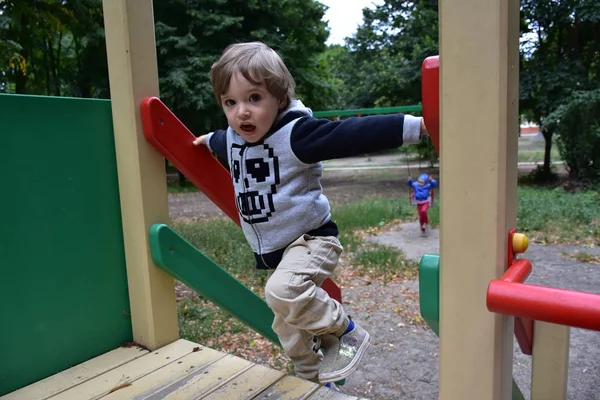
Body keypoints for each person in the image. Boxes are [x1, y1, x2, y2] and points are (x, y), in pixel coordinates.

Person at [193, 41, 430, 384]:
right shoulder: (232, 139)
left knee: (281, 291)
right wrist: (205, 140)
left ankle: (347, 332)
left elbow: (352, 134)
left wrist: (417, 126)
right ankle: (312, 379)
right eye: (230, 102)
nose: (241, 111)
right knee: (286, 325)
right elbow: (220, 139)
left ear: (279, 97)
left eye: (254, 98)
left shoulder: (297, 135)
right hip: (281, 251)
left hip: (313, 241)